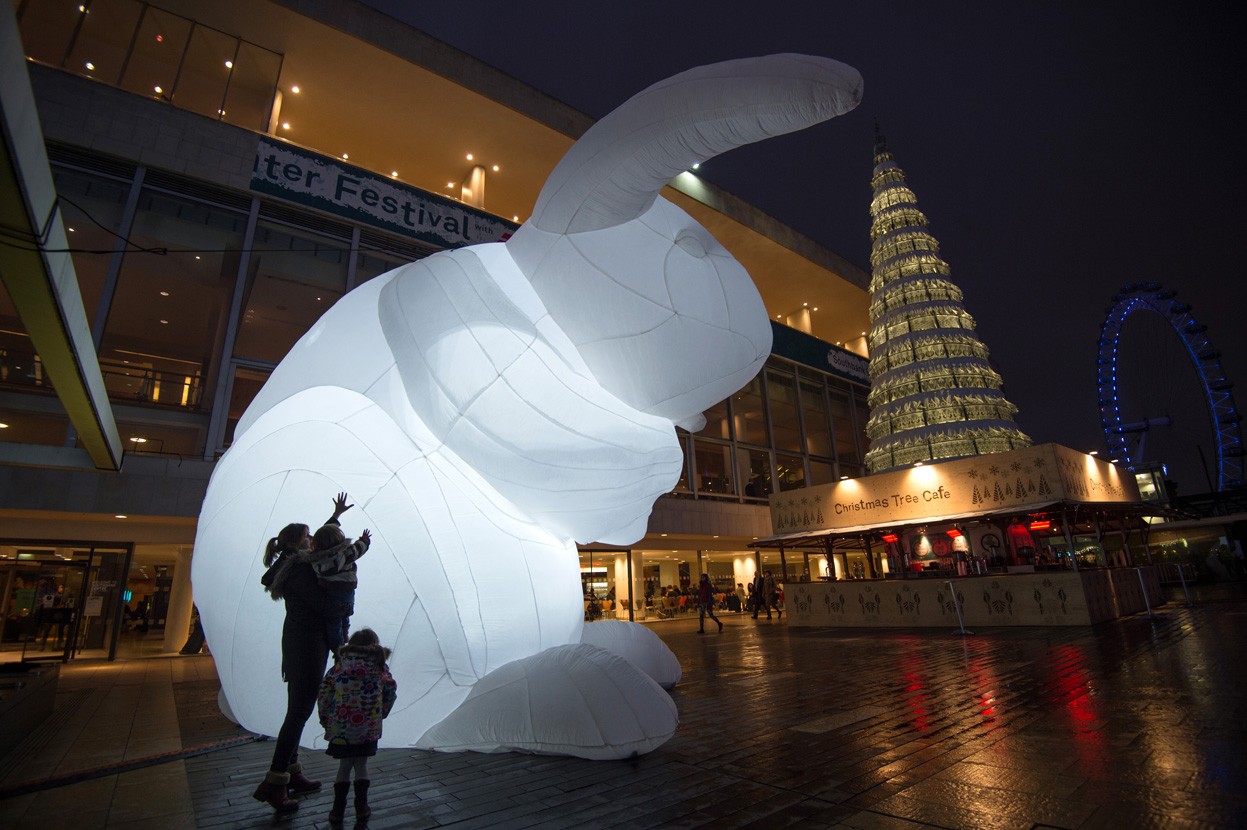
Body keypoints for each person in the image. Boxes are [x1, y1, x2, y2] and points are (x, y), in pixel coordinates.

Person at [251, 492, 354, 813]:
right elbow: (326, 606)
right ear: (299, 544)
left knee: (296, 709)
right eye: (307, 536)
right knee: (298, 712)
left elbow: (316, 546)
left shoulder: (293, 565)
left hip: (300, 643)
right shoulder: (301, 572)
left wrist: (335, 517)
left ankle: (291, 773)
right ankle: (274, 782)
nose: (313, 540)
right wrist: (345, 602)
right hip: (308, 646)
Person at [317, 628, 397, 825]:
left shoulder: (339, 667)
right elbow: (390, 690)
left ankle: (337, 810)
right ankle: (362, 807)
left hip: (340, 728)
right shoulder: (379, 667)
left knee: (344, 765)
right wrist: (381, 713)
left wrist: (326, 721)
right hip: (368, 728)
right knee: (361, 764)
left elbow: (324, 695)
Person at [306, 523, 372, 649]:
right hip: (347, 594)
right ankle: (345, 634)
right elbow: (359, 548)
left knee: (333, 622)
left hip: (331, 597)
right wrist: (365, 539)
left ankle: (338, 648)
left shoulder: (314, 560)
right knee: (345, 616)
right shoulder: (346, 554)